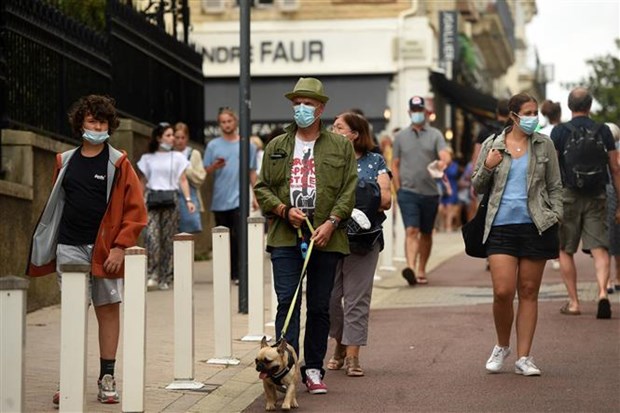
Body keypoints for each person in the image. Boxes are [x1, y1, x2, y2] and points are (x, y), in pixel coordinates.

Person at [26, 95, 148, 406]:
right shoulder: (64, 161)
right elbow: (57, 207)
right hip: (69, 248)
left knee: (108, 311)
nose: (97, 126)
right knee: (72, 312)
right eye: (92, 121)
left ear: (110, 126)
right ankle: (68, 377)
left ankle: (107, 377)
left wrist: (120, 247)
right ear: (81, 123)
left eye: (102, 122)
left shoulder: (119, 163)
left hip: (106, 251)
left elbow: (135, 211)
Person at [254, 77, 357, 394]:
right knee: (287, 302)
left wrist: (332, 222)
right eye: (297, 103)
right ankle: (282, 370)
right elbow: (262, 188)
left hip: (326, 237)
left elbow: (348, 189)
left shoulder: (340, 146)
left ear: (321, 108)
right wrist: (284, 210)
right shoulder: (277, 146)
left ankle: (313, 368)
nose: (301, 109)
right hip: (286, 235)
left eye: (308, 104)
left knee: (320, 306)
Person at [472, 92, 563, 376]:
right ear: (513, 116)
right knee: (502, 291)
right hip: (500, 226)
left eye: (535, 112)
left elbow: (555, 186)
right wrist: (488, 166)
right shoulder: (493, 144)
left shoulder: (544, 144)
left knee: (528, 291)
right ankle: (502, 345)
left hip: (536, 225)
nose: (533, 118)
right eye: (528, 112)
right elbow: (477, 185)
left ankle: (524, 357)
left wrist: (556, 214)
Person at [328, 112, 391, 377]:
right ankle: (340, 343)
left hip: (364, 239)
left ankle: (353, 354)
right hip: (330, 236)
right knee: (329, 299)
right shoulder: (327, 160)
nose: (332, 130)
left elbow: (386, 199)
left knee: (356, 298)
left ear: (354, 134)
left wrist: (358, 195)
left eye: (339, 127)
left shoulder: (375, 160)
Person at [550, 87, 620, 319]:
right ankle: (602, 292)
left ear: (570, 106)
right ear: (590, 106)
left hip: (568, 194)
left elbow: (551, 168)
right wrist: (619, 201)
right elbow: (615, 169)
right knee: (600, 248)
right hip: (597, 194)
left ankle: (574, 302)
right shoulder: (603, 131)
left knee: (565, 249)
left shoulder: (559, 132)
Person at [392, 96, 452, 285]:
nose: (418, 114)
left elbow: (444, 154)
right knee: (412, 229)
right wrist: (398, 189)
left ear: (426, 112)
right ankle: (410, 267)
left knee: (426, 233)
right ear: (410, 113)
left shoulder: (435, 134)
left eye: (421, 110)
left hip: (430, 192)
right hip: (407, 192)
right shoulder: (400, 137)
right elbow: (395, 164)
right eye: (414, 110)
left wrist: (443, 162)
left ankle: (421, 269)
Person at [137, 123, 196, 290]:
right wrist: (140, 200)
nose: (172, 139)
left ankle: (166, 276)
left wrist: (188, 199)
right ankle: (152, 273)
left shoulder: (178, 158)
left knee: (168, 240)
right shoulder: (147, 159)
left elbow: (182, 179)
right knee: (152, 237)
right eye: (168, 135)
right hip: (152, 199)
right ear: (158, 137)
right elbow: (143, 181)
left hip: (171, 200)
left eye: (173, 135)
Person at [203, 107, 258, 284]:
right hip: (220, 198)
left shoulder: (248, 146)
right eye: (223, 122)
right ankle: (224, 271)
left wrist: (257, 196)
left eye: (229, 121)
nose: (227, 125)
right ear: (219, 125)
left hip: (239, 198)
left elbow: (252, 172)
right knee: (222, 237)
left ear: (235, 122)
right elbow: (204, 170)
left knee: (239, 236)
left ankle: (238, 273)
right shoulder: (213, 146)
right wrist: (214, 167)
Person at [174, 122, 206, 234]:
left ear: (187, 138)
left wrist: (186, 169)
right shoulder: (169, 153)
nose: (180, 140)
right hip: (171, 197)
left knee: (188, 232)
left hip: (189, 196)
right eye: (177, 137)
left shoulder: (194, 154)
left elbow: (201, 177)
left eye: (183, 137)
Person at [606, 122, 620, 293]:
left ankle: (608, 280)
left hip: (606, 193)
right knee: (616, 236)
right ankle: (617, 276)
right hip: (615, 194)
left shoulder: (599, 149)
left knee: (605, 238)